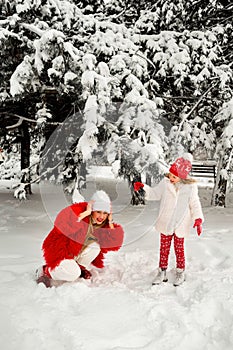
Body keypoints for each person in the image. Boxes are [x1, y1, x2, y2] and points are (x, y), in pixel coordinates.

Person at [134, 153, 204, 286]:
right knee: (164, 248)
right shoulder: (165, 183)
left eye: (174, 176)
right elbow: (155, 194)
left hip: (181, 223)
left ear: (182, 177)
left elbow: (195, 203)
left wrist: (198, 219)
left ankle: (180, 271)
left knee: (179, 249)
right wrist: (144, 188)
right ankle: (162, 271)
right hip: (166, 221)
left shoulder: (190, 188)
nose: (171, 178)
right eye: (170, 175)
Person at [36, 190, 124, 287]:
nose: (101, 216)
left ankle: (79, 267)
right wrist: (84, 214)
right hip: (59, 251)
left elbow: (114, 242)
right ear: (92, 209)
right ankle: (45, 270)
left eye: (105, 213)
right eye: (98, 212)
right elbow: (63, 225)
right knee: (73, 274)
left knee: (95, 247)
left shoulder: (102, 224)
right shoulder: (78, 211)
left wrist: (110, 222)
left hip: (74, 252)